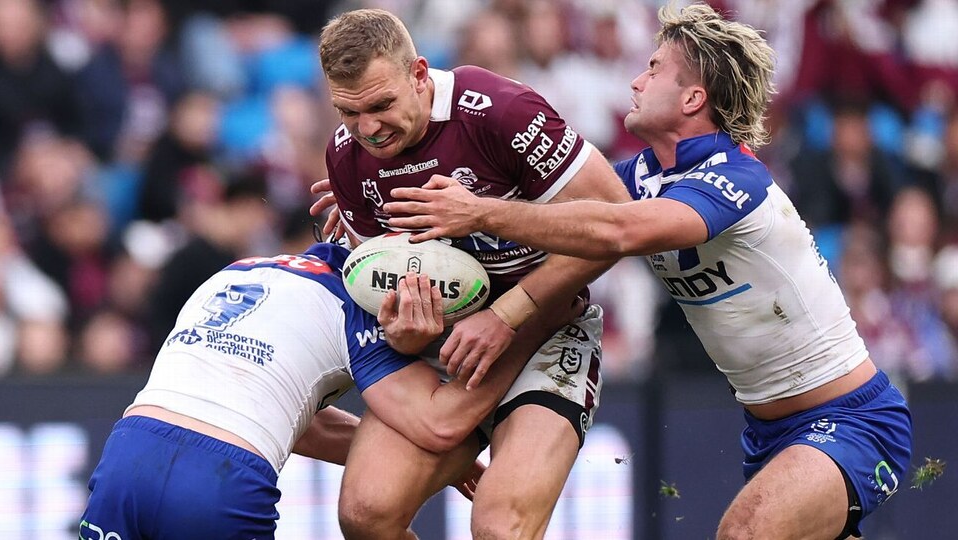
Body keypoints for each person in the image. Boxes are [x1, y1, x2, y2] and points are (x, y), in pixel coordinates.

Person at [383, 4, 913, 539]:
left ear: (692, 98)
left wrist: (481, 210)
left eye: (654, 68)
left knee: (744, 533)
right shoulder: (640, 175)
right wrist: (376, 190)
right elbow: (549, 213)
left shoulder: (737, 179)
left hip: (852, 419)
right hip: (769, 431)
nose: (636, 80)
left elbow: (615, 232)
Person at [312, 8, 632, 539]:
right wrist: (404, 331)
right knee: (367, 515)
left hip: (549, 327)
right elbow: (383, 288)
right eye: (349, 113)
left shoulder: (498, 111)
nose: (368, 130)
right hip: (451, 345)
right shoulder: (347, 159)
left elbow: (616, 223)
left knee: (500, 526)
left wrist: (509, 313)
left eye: (381, 105)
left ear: (418, 74)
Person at [79, 242, 576, 539]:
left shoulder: (240, 268)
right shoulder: (355, 302)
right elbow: (437, 422)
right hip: (223, 477)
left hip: (130, 451)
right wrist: (526, 323)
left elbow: (289, 414)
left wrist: (445, 469)